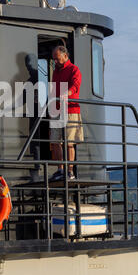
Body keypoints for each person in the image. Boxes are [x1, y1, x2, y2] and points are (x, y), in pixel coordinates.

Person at [50, 45, 84, 181]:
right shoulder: (55, 72)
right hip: (57, 109)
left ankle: (70, 172)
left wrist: (67, 93)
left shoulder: (74, 69)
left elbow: (75, 85)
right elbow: (53, 89)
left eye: (57, 59)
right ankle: (60, 170)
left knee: (69, 142)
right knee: (55, 141)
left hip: (70, 109)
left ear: (65, 56)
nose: (55, 62)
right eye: (54, 60)